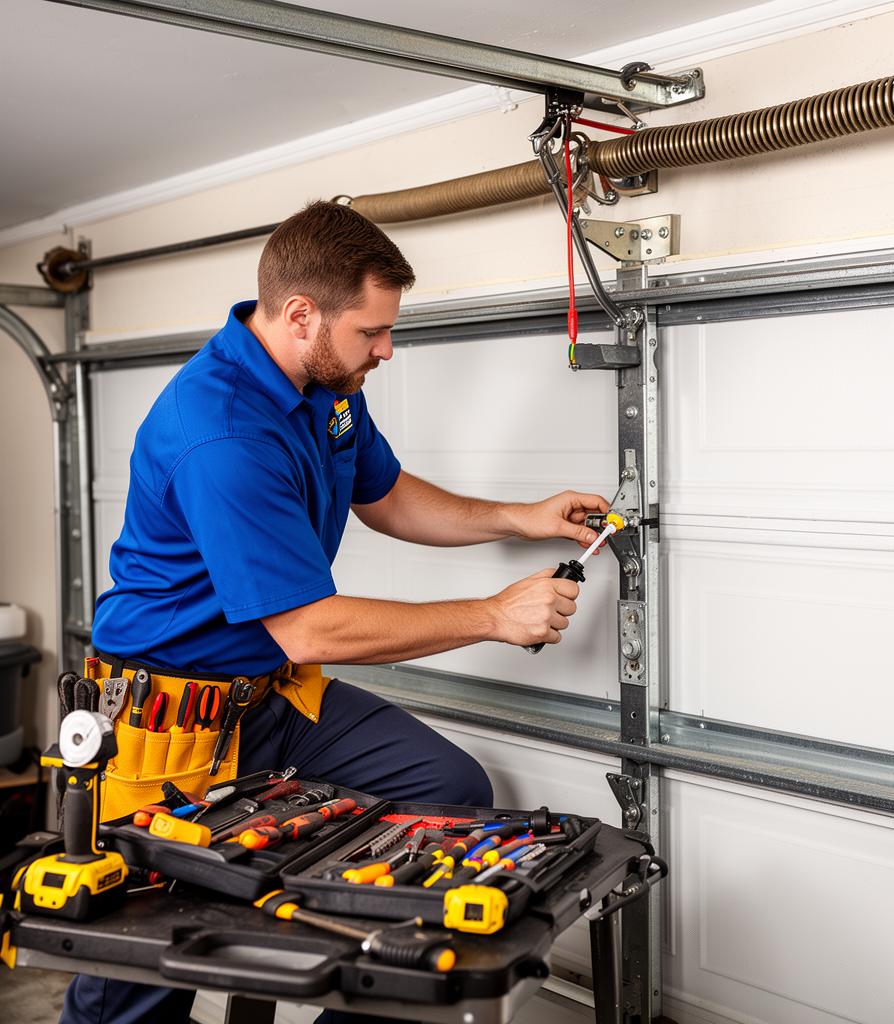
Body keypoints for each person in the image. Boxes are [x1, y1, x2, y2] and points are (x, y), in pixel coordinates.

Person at [61, 199, 608, 1024]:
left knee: (447, 787)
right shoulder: (223, 432)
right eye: (371, 332)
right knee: (135, 971)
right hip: (168, 722)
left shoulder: (327, 384)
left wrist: (518, 516)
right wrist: (494, 614)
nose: (386, 349)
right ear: (300, 315)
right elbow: (311, 626)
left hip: (271, 697)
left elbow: (383, 494)